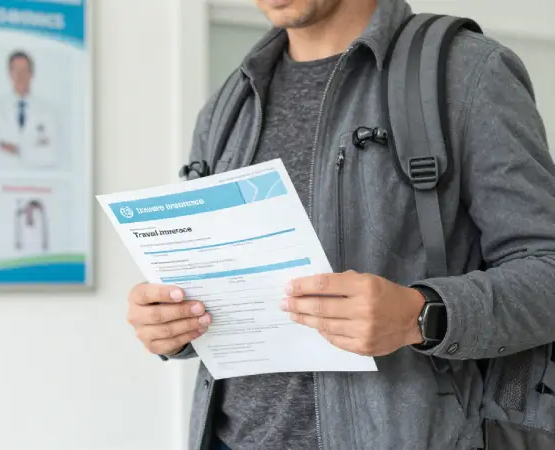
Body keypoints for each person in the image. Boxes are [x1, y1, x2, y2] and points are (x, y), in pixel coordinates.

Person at [124, 0, 555, 449]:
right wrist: (174, 326)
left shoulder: (467, 72)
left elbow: (547, 268)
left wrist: (420, 315)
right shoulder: (230, 105)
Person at [0, 50, 59, 169]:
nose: (20, 76)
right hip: (2, 181)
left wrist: (18, 151)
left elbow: (51, 155)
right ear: (9, 74)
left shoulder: (48, 112)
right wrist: (33, 151)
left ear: (32, 73)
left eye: (24, 71)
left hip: (37, 183)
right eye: (15, 71)